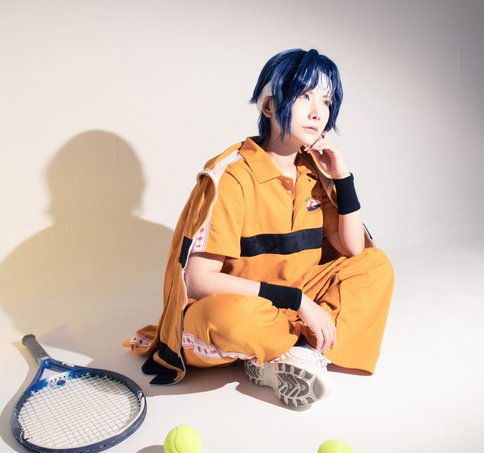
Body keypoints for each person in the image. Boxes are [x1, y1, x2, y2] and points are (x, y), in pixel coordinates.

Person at [125, 48, 394, 407]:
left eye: (327, 101)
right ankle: (290, 349)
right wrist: (297, 301)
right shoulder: (234, 175)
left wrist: (342, 178)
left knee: (375, 266)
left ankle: (291, 354)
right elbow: (198, 281)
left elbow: (353, 249)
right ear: (269, 106)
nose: (318, 112)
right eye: (304, 96)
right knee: (232, 320)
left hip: (289, 303)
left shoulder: (314, 171)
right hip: (241, 307)